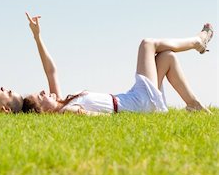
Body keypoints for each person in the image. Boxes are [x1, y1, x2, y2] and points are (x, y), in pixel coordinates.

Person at [21, 12, 213, 115]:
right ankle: (197, 41)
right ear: (43, 111)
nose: (44, 92)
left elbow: (51, 72)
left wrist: (37, 37)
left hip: (133, 99)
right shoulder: (66, 111)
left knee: (167, 57)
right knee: (147, 44)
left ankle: (193, 105)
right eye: (41, 96)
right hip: (137, 103)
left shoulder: (64, 101)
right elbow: (101, 117)